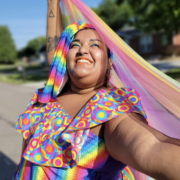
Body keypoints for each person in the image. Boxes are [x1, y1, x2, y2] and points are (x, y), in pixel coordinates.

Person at [13, 0, 180, 180]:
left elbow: (152, 146)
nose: (83, 49)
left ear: (109, 62)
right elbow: (55, 47)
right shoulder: (50, 96)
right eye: (75, 45)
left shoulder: (111, 106)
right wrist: (53, 4)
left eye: (95, 45)